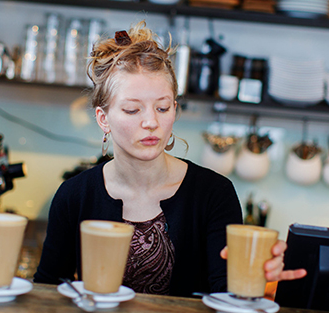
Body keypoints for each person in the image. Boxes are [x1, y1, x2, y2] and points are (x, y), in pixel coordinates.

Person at [33, 21, 306, 297]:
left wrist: (255, 279)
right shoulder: (74, 196)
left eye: (162, 108)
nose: (151, 122)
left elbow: (228, 293)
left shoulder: (213, 194)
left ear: (174, 110)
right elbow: (47, 290)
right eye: (132, 110)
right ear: (103, 119)